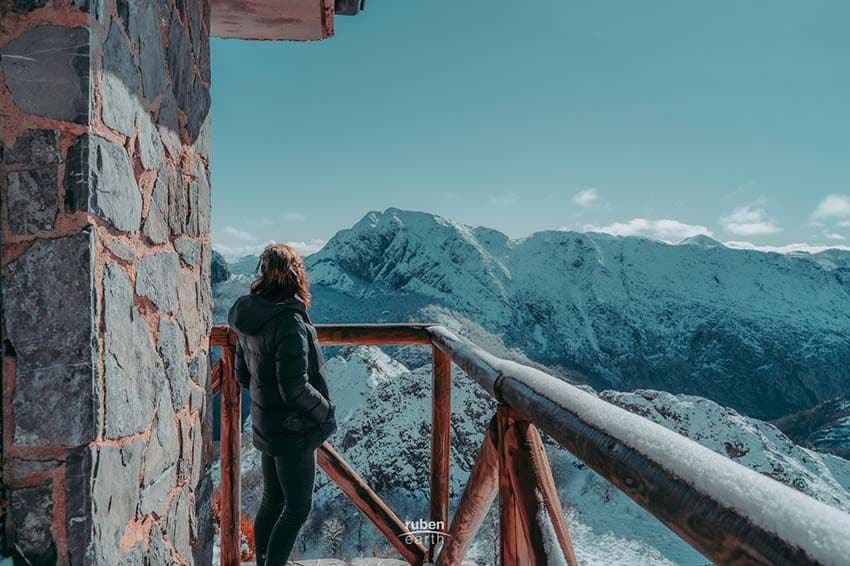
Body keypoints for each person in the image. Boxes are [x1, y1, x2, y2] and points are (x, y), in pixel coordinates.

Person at [228, 244, 337, 565]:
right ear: (295, 276)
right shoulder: (288, 320)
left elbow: (243, 376)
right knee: (298, 507)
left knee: (273, 499)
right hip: (294, 430)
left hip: (266, 424)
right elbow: (295, 387)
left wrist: (267, 400)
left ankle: (263, 562)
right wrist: (324, 412)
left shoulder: (248, 316)